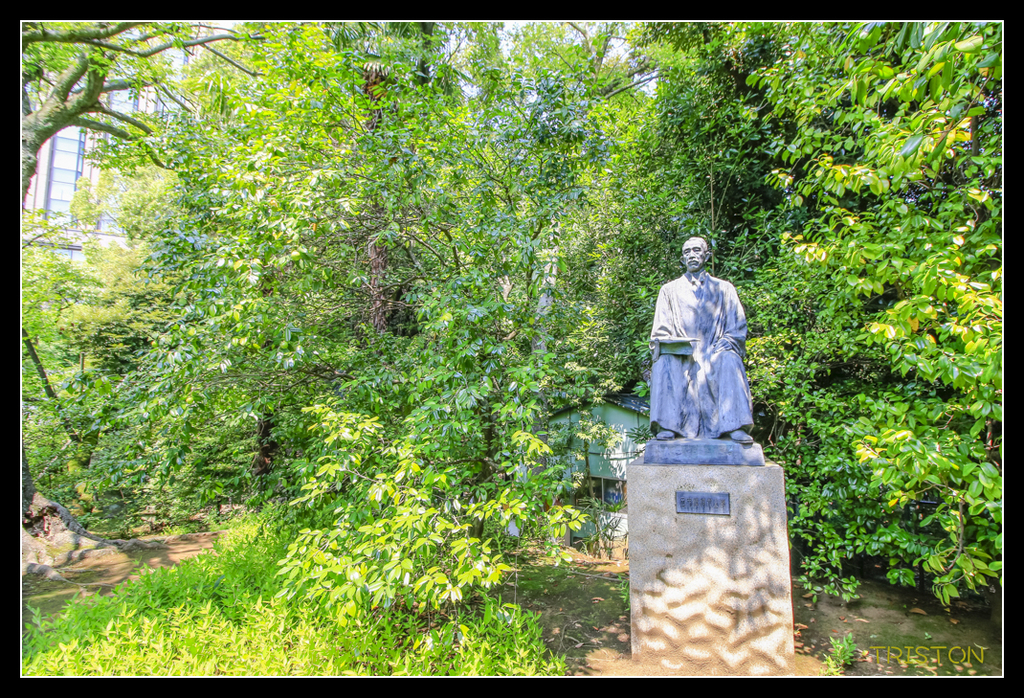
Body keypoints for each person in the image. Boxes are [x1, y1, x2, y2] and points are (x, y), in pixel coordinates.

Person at [648, 236, 754, 443]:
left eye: (696, 250)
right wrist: (671, 344)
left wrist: (729, 341)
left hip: (714, 351)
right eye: (687, 252)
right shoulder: (668, 291)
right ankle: (668, 424)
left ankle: (733, 424)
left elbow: (737, 326)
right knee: (663, 362)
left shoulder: (724, 288)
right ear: (682, 258)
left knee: (729, 359)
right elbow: (660, 332)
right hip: (683, 356)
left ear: (707, 255)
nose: (691, 255)